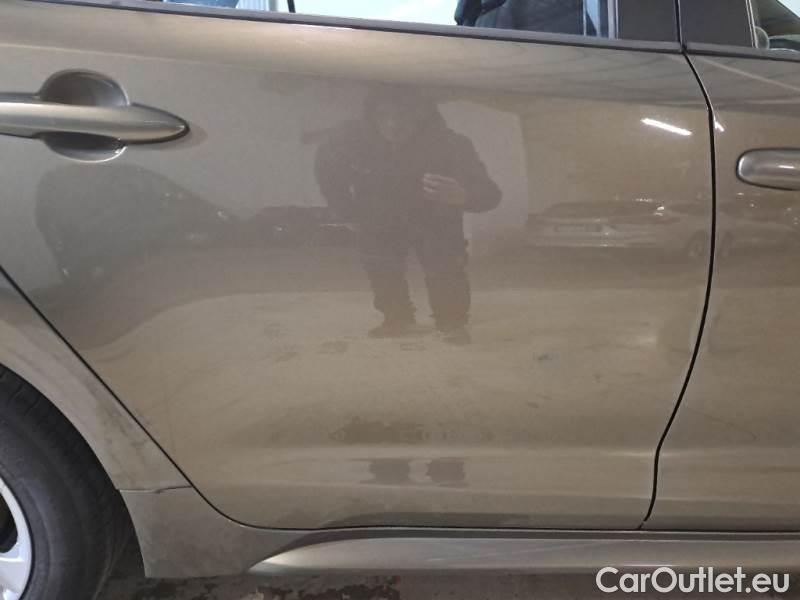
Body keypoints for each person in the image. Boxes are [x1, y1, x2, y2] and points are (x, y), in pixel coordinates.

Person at [314, 88, 501, 344]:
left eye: (403, 115)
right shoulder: (350, 141)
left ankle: (451, 323)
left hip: (435, 217)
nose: (393, 124)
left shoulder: (451, 144)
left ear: (420, 116)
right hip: (378, 214)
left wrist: (463, 195)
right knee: (381, 267)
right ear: (372, 117)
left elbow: (490, 193)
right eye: (384, 115)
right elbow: (327, 171)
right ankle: (397, 318)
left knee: (445, 267)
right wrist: (345, 211)